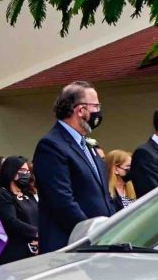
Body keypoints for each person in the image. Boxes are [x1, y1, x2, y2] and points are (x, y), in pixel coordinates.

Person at [32, 82, 115, 253]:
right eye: (96, 106)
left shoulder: (87, 145)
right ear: (80, 110)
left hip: (98, 244)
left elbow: (103, 195)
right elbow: (62, 201)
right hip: (71, 245)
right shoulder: (52, 145)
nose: (98, 111)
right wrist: (91, 234)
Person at [0, 155, 41, 264]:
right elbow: (10, 221)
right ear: (11, 171)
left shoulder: (28, 195)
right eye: (22, 170)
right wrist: (36, 233)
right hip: (15, 253)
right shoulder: (3, 194)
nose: (26, 174)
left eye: (27, 171)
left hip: (35, 251)